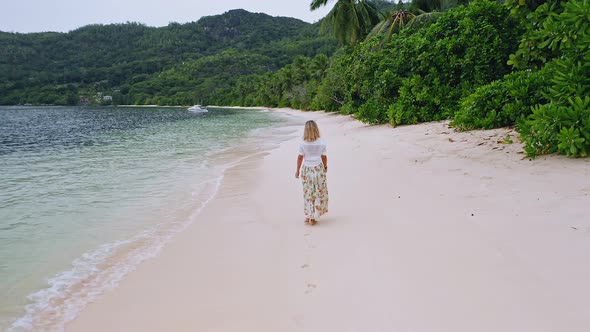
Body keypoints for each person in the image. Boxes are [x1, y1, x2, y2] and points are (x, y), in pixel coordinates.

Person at [295, 120, 328, 225]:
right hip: (318, 169)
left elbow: (300, 158)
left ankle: (308, 215)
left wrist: (297, 170)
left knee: (308, 193)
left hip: (307, 170)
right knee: (318, 192)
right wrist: (325, 167)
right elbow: (324, 157)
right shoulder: (321, 142)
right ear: (316, 129)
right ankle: (313, 216)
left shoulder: (303, 143)